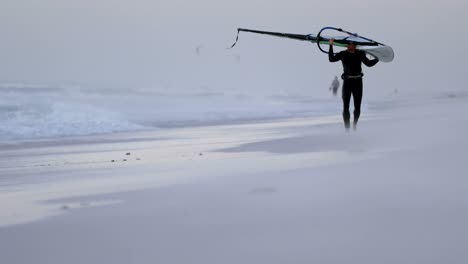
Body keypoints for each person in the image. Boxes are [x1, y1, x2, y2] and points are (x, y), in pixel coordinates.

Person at [328, 38, 379, 130]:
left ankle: (354, 124)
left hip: (358, 82)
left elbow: (368, 63)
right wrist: (331, 45)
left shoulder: (360, 54)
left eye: (353, 44)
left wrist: (378, 59)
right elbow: (331, 59)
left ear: (355, 45)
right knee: (346, 107)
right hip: (347, 82)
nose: (351, 46)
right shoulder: (343, 54)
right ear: (347, 45)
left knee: (357, 107)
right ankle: (347, 128)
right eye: (349, 44)